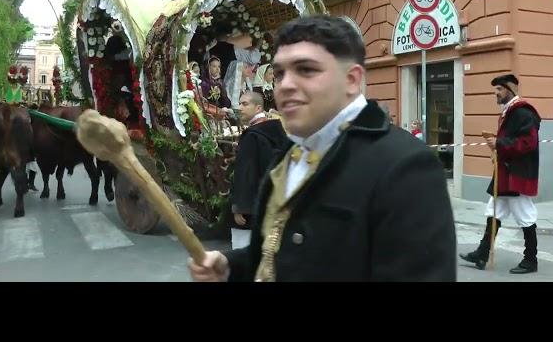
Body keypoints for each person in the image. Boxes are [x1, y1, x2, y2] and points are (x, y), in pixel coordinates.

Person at [188, 15, 456, 282]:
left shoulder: (406, 166)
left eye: (306, 69)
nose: (285, 85)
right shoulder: (290, 152)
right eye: (280, 73)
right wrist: (230, 266)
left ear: (352, 79)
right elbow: (278, 254)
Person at [459, 74, 541, 274]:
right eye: (495, 90)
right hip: (506, 173)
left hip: (517, 175)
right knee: (493, 211)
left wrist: (500, 144)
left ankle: (531, 260)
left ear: (510, 90)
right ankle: (482, 253)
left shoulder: (523, 112)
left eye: (499, 89)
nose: (495, 93)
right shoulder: (509, 112)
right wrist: (498, 150)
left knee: (525, 215)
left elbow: (528, 143)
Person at [230, 91, 287, 250]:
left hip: (251, 206)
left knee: (244, 251)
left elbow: (246, 174)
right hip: (269, 201)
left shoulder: (252, 136)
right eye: (239, 103)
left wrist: (240, 207)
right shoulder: (274, 130)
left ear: (258, 107)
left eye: (245, 104)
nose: (240, 108)